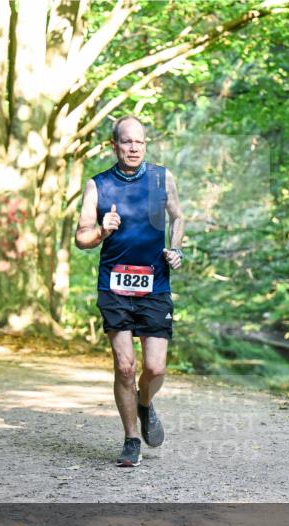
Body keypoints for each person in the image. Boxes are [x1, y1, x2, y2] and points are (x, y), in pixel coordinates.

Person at [74, 115, 185, 467]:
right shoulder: (98, 185)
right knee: (124, 366)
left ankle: (144, 403)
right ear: (114, 146)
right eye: (127, 142)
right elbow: (81, 237)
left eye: (139, 141)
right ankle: (131, 439)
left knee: (155, 367)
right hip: (114, 285)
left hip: (155, 284)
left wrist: (176, 249)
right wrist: (102, 231)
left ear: (145, 144)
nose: (134, 148)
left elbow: (178, 217)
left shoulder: (162, 178)